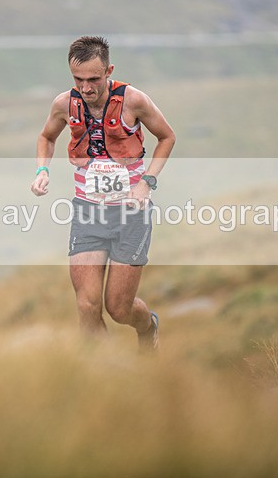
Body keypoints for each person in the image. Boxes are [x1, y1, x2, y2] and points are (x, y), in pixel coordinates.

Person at [30, 35, 176, 353]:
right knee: (86, 306)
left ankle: (148, 326)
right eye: (78, 79)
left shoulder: (134, 100)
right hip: (88, 211)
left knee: (119, 308)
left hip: (131, 214)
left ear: (109, 70)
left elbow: (167, 137)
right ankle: (109, 376)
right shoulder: (64, 104)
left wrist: (146, 183)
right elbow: (46, 137)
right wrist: (42, 171)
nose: (86, 87)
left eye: (94, 79)